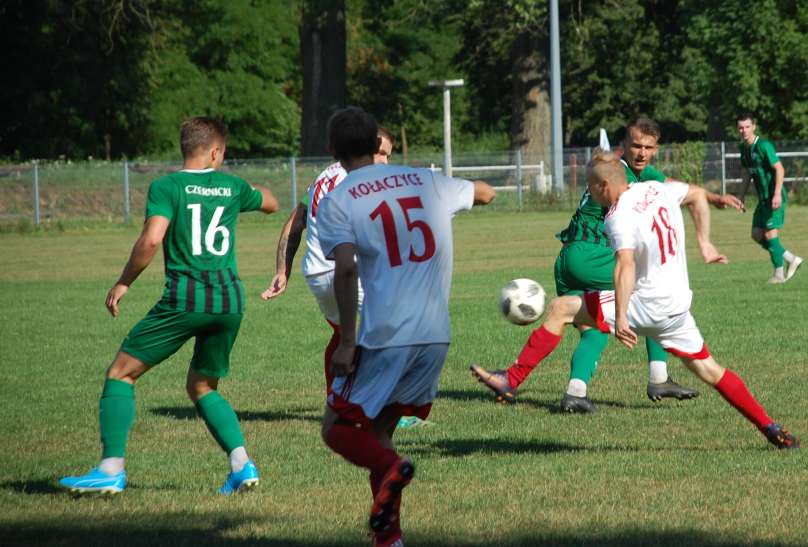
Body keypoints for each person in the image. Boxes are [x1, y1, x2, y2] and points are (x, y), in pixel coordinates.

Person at [486, 149, 799, 449]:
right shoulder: (656, 188)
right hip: (677, 307)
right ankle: (770, 428)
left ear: (603, 186)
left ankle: (510, 380)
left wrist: (621, 317)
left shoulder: (617, 216)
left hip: (646, 304)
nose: (589, 193)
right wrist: (705, 243)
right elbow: (696, 195)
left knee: (560, 309)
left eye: (591, 187)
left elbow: (625, 265)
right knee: (711, 370)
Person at [59, 117, 279, 495]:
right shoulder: (232, 186)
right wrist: (241, 191)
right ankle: (242, 465)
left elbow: (151, 239)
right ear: (215, 152)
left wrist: (124, 281)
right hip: (228, 299)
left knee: (121, 374)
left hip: (186, 298)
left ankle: (111, 469)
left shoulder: (166, 186)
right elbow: (272, 203)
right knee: (203, 385)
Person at [472, 117, 743, 413]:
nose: (641, 153)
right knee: (652, 293)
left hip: (569, 258)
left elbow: (675, 188)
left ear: (655, 149)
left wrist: (714, 198)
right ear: (623, 146)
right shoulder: (616, 174)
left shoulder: (629, 171)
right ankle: (658, 377)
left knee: (593, 328)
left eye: (648, 147)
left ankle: (573, 392)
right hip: (594, 256)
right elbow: (670, 192)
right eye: (636, 146)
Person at [316, 106, 495, 547]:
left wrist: (347, 341)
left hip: (386, 335)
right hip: (435, 335)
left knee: (335, 427)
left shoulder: (339, 199)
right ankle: (389, 537)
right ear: (378, 143)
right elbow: (486, 193)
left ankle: (394, 473)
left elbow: (344, 271)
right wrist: (462, 195)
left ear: (333, 150)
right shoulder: (425, 180)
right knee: (379, 433)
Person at [261, 127, 394, 394]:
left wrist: (282, 271)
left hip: (317, 273)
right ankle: (389, 411)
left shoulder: (323, 177)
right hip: (345, 270)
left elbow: (294, 223)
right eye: (380, 153)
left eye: (388, 155)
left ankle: (336, 397)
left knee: (342, 334)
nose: (384, 162)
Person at [737, 114, 804, 283]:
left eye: (747, 127)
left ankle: (779, 275)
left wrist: (776, 194)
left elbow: (779, 169)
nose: (743, 131)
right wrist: (741, 196)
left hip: (774, 197)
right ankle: (790, 258)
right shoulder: (743, 148)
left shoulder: (764, 145)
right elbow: (746, 174)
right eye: (740, 127)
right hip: (762, 199)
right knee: (756, 234)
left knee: (769, 233)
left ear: (754, 127)